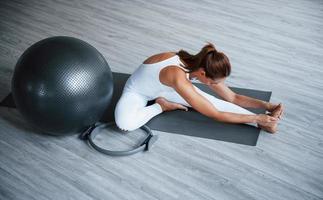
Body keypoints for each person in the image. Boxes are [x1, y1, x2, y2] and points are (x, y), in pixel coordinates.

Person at [114, 42, 284, 133]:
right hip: (138, 92)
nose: (215, 85)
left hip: (168, 89)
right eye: (213, 82)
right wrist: (256, 118)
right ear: (203, 73)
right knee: (124, 124)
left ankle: (265, 123)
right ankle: (162, 106)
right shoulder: (177, 76)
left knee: (218, 102)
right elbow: (216, 115)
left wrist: (267, 106)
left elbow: (232, 98)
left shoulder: (198, 64)